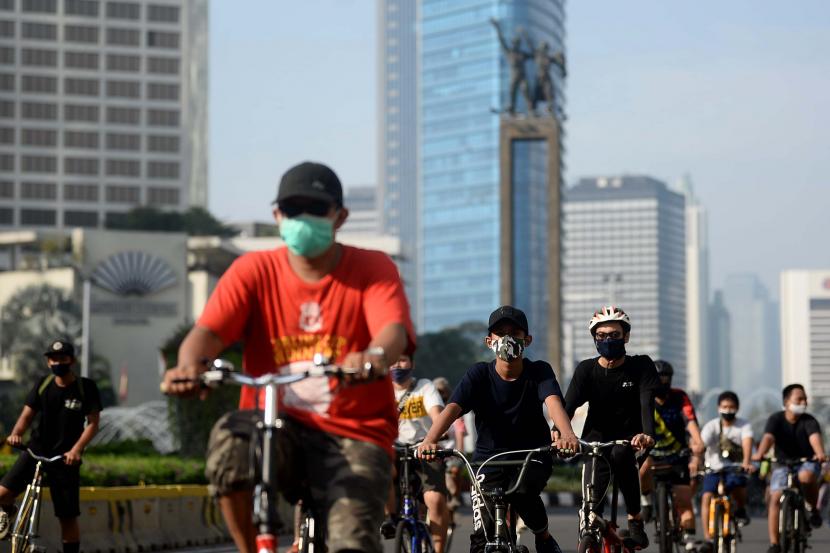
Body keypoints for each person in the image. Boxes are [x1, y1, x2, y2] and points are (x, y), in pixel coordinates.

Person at [163, 161, 415, 553]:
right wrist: (188, 366)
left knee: (352, 542)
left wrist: (374, 356)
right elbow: (207, 333)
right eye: (293, 210)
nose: (303, 219)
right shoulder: (252, 271)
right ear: (277, 216)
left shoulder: (372, 268)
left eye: (316, 209)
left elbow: (392, 331)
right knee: (230, 445)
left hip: (354, 432)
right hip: (275, 428)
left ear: (340, 216)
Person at [418, 305, 579, 553]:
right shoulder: (478, 375)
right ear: (488, 341)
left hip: (532, 455)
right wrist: (430, 440)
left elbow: (554, 403)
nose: (507, 338)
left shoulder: (539, 371)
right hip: (488, 460)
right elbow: (452, 408)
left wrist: (567, 435)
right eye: (500, 333)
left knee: (524, 493)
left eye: (514, 332)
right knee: (482, 541)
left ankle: (543, 536)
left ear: (527, 340)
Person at [564, 306, 658, 550]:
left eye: (614, 335)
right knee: (592, 501)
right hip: (595, 440)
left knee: (620, 454)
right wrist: (559, 432)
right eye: (602, 335)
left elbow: (647, 403)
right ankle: (592, 528)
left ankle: (635, 521)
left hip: (632, 439)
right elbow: (568, 407)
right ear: (595, 339)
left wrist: (647, 435)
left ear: (626, 337)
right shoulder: (586, 370)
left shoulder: (641, 366)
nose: (608, 340)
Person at [0, 340, 102, 553]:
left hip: (65, 459)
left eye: (62, 358)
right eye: (53, 359)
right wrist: (16, 434)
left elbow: (92, 424)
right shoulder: (43, 385)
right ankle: (7, 511)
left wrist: (76, 450)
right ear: (48, 362)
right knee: (2, 494)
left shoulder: (85, 388)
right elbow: (27, 415)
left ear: (71, 360)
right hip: (35, 451)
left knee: (67, 517)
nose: (57, 362)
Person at [380, 355, 450, 552]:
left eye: (402, 360)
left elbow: (437, 414)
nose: (397, 365)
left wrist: (437, 434)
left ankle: (438, 549)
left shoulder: (424, 387)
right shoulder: (382, 390)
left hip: (424, 448)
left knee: (435, 500)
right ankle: (391, 518)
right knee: (383, 471)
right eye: (392, 361)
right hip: (394, 449)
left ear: (412, 363)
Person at [753, 384, 828, 553]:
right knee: (775, 498)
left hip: (806, 461)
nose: (804, 402)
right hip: (782, 463)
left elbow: (815, 438)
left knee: (806, 476)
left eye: (805, 399)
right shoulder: (776, 419)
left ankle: (812, 508)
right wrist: (760, 454)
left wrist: (820, 454)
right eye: (799, 399)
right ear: (787, 402)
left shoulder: (809, 421)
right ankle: (774, 543)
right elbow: (768, 437)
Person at [638, 359, 704, 550]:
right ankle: (647, 500)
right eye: (658, 377)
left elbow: (690, 420)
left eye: (665, 377)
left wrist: (698, 441)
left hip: (678, 456)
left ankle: (690, 538)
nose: (662, 381)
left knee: (684, 502)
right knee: (642, 469)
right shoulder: (644, 397)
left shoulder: (680, 397)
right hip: (652, 454)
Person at [699, 391, 755, 546]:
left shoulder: (744, 425)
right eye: (724, 406)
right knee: (706, 497)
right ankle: (708, 539)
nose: (727, 410)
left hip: (735, 468)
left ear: (737, 408)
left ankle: (741, 509)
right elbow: (701, 445)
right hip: (714, 469)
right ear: (718, 408)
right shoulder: (711, 426)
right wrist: (695, 459)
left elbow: (747, 442)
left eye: (731, 407)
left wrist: (746, 462)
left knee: (738, 486)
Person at [432, 376, 467, 510]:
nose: (440, 395)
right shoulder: (432, 410)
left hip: (451, 453)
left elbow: (460, 432)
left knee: (453, 470)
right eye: (437, 392)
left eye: (442, 391)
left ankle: (455, 496)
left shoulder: (454, 411)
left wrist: (460, 452)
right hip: (436, 452)